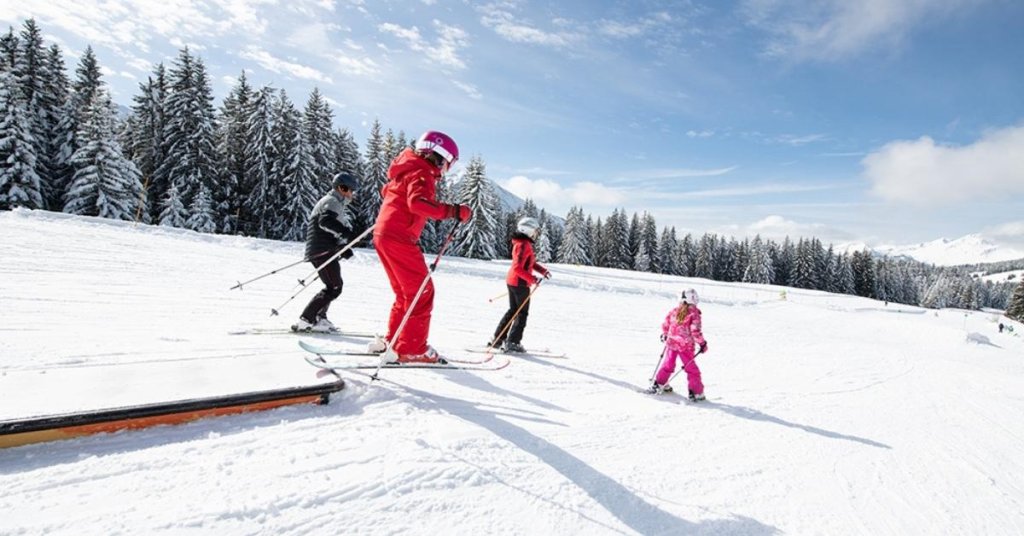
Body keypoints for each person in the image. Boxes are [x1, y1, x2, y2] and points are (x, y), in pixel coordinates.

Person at [367, 130, 471, 363]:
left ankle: (393, 341)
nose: (445, 168)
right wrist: (454, 211)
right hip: (399, 238)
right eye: (447, 163)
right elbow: (418, 203)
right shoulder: (422, 172)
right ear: (440, 157)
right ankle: (412, 349)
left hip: (383, 234)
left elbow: (390, 192)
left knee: (406, 293)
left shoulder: (408, 168)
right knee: (422, 292)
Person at [292, 172, 359, 333]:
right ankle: (307, 319)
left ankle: (319, 318)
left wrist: (343, 249)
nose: (352, 194)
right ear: (342, 188)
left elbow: (330, 231)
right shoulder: (332, 201)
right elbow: (325, 222)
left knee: (333, 286)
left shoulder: (334, 202)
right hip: (322, 250)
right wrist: (346, 233)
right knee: (334, 287)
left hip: (324, 249)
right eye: (351, 190)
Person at [489, 216, 550, 353]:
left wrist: (542, 271)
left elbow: (529, 263)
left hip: (513, 281)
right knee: (521, 313)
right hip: (520, 283)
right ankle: (513, 343)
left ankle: (498, 339)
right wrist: (533, 279)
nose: (535, 233)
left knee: (513, 311)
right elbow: (518, 267)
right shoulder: (523, 245)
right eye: (534, 231)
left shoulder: (521, 243)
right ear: (527, 230)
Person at [649, 288, 708, 400]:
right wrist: (702, 343)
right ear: (693, 299)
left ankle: (660, 383)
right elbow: (695, 331)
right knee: (691, 369)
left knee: (668, 364)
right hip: (685, 346)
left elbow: (666, 324)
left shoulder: (675, 310)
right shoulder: (694, 313)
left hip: (671, 343)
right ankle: (696, 392)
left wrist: (665, 334)